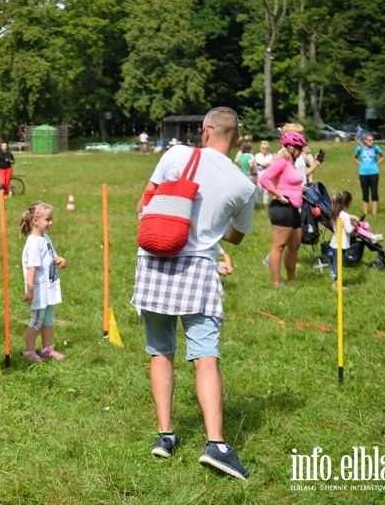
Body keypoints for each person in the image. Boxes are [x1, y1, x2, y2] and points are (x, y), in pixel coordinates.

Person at [130, 107, 255, 481]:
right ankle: (216, 445)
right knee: (205, 355)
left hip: (153, 262)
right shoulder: (244, 184)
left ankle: (165, 436)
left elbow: (143, 206)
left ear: (206, 131)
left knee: (160, 350)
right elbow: (235, 235)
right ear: (234, 138)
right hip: (199, 270)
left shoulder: (176, 155)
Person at [258, 131, 308, 287]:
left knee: (295, 245)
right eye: (299, 148)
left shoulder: (290, 163)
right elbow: (263, 178)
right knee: (279, 246)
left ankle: (292, 279)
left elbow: (288, 181)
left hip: (293, 207)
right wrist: (278, 194)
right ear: (290, 148)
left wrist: (299, 188)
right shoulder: (281, 162)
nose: (301, 152)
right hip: (281, 207)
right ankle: (276, 283)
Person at [19, 201, 67, 362]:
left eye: (51, 219)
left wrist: (58, 258)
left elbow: (51, 254)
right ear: (35, 221)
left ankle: (47, 348)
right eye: (47, 219)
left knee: (48, 320)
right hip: (39, 289)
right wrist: (30, 290)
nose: (50, 223)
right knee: (37, 320)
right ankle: (29, 351)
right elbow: (32, 268)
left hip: (50, 287)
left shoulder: (45, 237)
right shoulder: (33, 243)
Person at [354, 133, 385, 216]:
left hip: (374, 173)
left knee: (374, 192)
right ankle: (365, 212)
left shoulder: (375, 148)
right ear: (365, 141)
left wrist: (376, 164)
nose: (372, 141)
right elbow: (355, 158)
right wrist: (360, 164)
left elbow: (383, 157)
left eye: (372, 140)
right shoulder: (360, 149)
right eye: (370, 140)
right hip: (363, 173)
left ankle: (374, 212)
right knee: (365, 193)